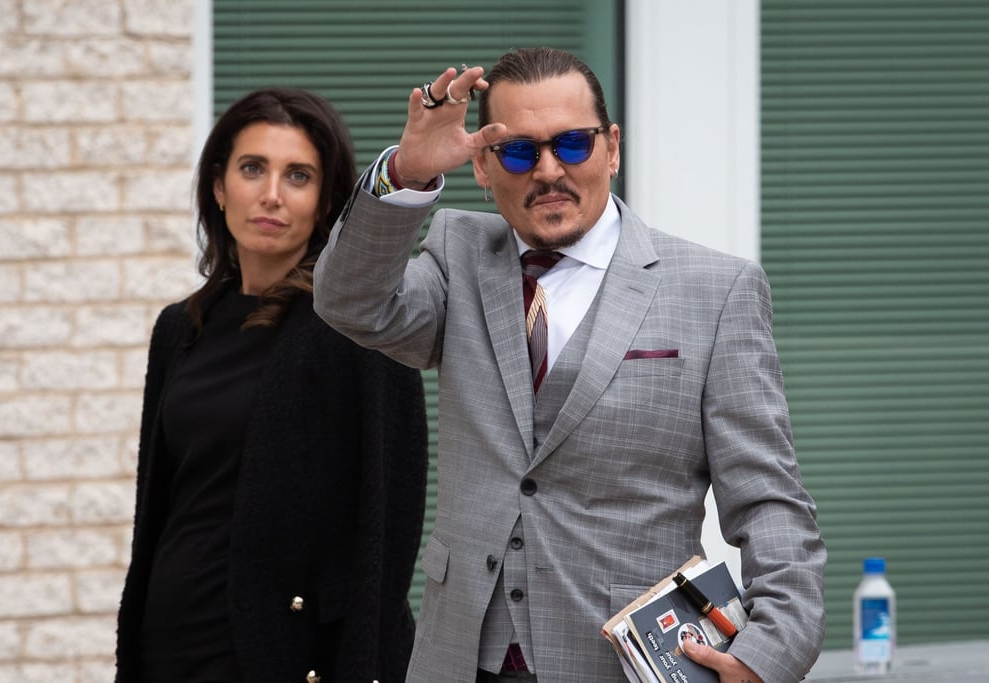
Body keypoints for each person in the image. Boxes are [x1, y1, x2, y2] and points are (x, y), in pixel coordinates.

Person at [313, 47, 826, 683]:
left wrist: (767, 654)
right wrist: (407, 174)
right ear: (482, 163)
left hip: (624, 662)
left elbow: (769, 501)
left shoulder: (716, 291)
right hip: (459, 657)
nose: (549, 170)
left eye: (573, 145)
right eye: (520, 151)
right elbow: (350, 303)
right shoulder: (458, 254)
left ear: (612, 148)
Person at [115, 87, 429, 683]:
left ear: (325, 200)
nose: (271, 195)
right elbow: (158, 509)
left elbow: (388, 526)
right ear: (218, 186)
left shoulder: (357, 328)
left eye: (299, 176)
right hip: (170, 642)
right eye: (252, 168)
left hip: (287, 655)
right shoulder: (179, 328)